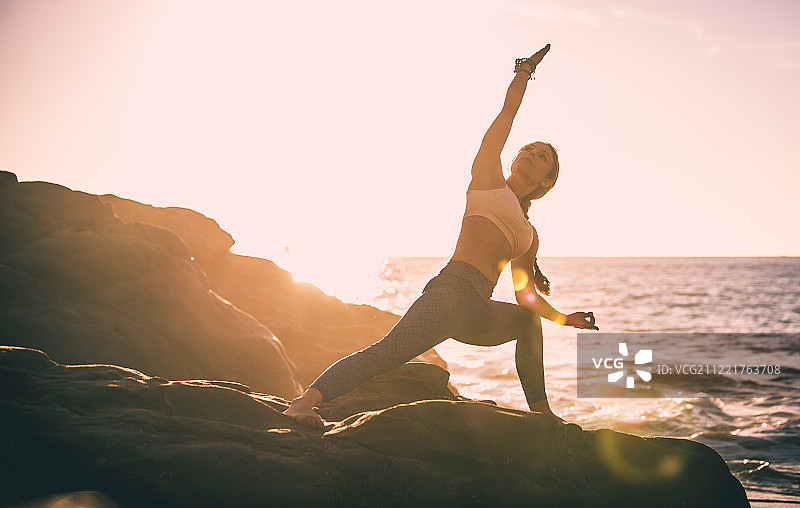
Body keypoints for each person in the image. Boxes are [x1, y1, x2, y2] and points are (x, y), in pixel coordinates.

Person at [284, 44, 598, 429]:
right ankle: (303, 403)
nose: (530, 153)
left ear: (547, 182)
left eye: (541, 156)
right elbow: (507, 115)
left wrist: (566, 320)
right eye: (528, 149)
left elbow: (526, 296)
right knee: (386, 354)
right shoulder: (487, 178)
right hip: (449, 294)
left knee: (526, 323)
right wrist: (525, 70)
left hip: (478, 311)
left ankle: (543, 415)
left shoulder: (529, 235)